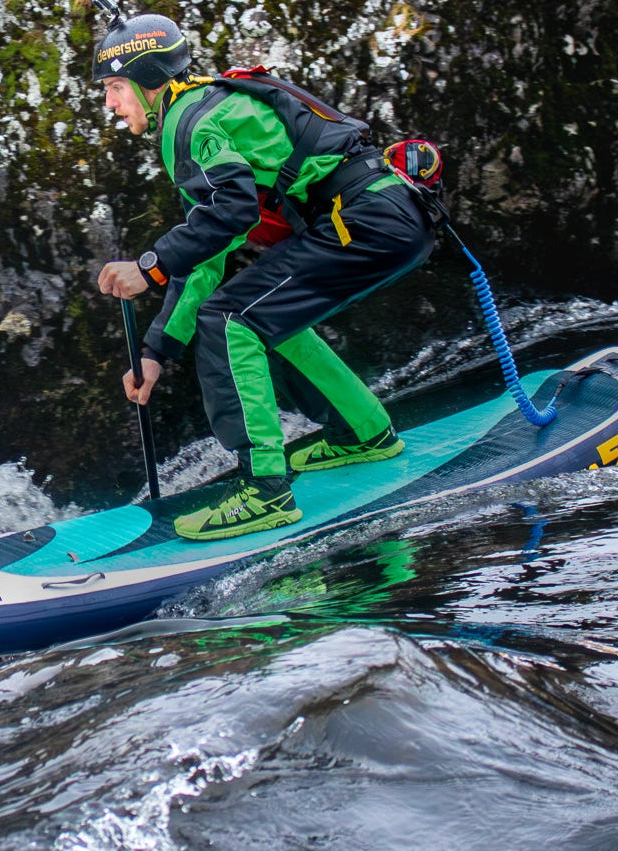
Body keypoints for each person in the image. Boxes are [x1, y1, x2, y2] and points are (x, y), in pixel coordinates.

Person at [92, 10, 437, 541]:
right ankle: (364, 432)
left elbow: (227, 216)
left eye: (116, 87)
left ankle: (265, 491)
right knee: (260, 314)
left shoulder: (188, 123)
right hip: (385, 214)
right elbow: (210, 249)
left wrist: (148, 268)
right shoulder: (207, 107)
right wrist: (157, 351)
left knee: (231, 321)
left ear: (149, 77)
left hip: (364, 219)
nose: (111, 103)